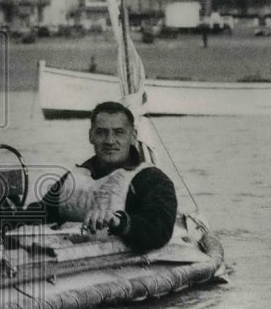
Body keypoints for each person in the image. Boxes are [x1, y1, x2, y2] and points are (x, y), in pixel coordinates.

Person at [40, 101, 177, 250]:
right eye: (101, 132)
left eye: (119, 132)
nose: (110, 141)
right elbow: (40, 213)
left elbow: (160, 229)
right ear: (90, 136)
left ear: (133, 136)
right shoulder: (73, 178)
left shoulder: (152, 180)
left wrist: (120, 222)